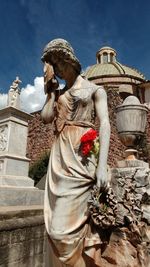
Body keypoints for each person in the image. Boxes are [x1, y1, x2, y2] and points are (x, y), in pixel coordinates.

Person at [41, 38, 111, 267]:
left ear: (71, 60)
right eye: (55, 66)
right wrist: (51, 95)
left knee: (72, 225)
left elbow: (105, 124)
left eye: (61, 63)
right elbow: (46, 118)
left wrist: (102, 165)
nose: (59, 70)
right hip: (60, 157)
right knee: (54, 227)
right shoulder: (60, 93)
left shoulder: (95, 89)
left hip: (82, 157)